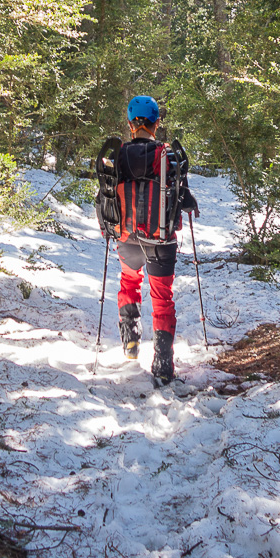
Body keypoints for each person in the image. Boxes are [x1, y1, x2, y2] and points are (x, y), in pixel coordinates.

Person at [102, 95, 198, 386]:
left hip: (127, 238)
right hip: (162, 240)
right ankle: (163, 364)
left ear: (130, 124)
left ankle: (130, 341)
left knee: (129, 282)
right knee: (162, 298)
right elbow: (182, 196)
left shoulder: (118, 156)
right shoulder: (168, 156)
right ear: (156, 124)